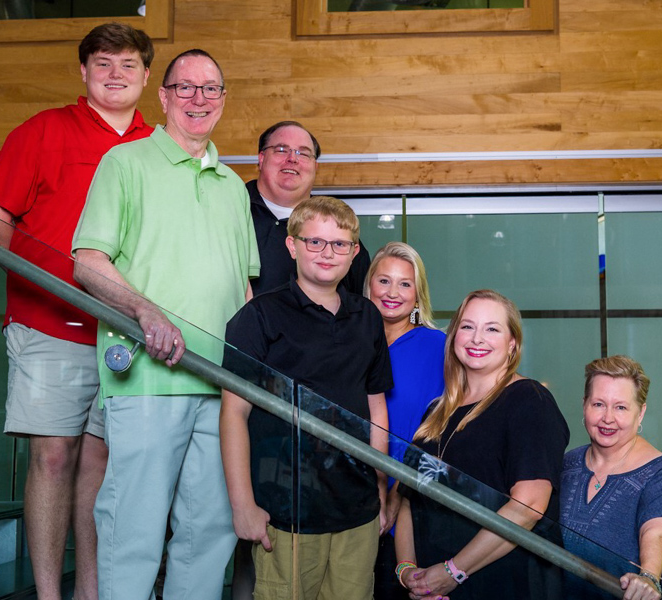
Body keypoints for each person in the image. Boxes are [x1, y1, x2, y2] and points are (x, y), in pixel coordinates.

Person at [0, 22, 154, 600]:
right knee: (53, 457)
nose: (115, 74)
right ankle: (49, 594)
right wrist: (36, 284)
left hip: (123, 336)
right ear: (83, 71)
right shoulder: (43, 130)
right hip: (49, 325)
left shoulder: (159, 144)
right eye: (103, 63)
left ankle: (90, 592)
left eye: (128, 64)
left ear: (147, 77)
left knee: (100, 466)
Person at [72, 49, 259, 600]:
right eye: (186, 87)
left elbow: (243, 289)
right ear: (164, 96)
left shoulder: (231, 185)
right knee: (134, 528)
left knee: (211, 535)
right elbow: (87, 261)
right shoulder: (125, 163)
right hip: (150, 378)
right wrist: (145, 310)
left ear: (223, 100)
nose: (198, 99)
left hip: (223, 392)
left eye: (210, 89)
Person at [221, 195, 393, 600]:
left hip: (357, 508)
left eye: (339, 244)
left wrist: (380, 489)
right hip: (287, 511)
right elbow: (233, 414)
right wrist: (242, 505)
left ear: (354, 253)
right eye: (314, 241)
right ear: (292, 245)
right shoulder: (258, 317)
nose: (326, 253)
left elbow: (376, 407)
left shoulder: (367, 316)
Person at [395, 289, 569, 600]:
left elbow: (527, 508)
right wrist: (409, 572)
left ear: (512, 343)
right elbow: (409, 499)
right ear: (454, 336)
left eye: (492, 328)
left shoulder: (529, 400)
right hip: (433, 588)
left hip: (506, 585)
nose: (477, 338)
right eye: (467, 326)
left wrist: (452, 571)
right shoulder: (435, 411)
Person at [560, 356, 662, 600]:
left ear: (640, 413)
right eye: (598, 404)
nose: (608, 418)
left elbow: (656, 532)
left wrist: (648, 578)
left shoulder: (660, 471)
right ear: (584, 405)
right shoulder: (567, 464)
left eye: (620, 407)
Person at [364, 242, 446, 600]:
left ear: (418, 294)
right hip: (351, 493)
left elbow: (442, 431)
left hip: (414, 499)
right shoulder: (349, 340)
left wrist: (399, 493)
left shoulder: (440, 347)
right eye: (384, 280)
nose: (392, 292)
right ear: (368, 286)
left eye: (405, 284)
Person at [247, 121, 370, 296]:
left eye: (303, 153)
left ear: (315, 167)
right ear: (261, 158)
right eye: (281, 150)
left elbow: (359, 303)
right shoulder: (231, 208)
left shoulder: (338, 229)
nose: (292, 159)